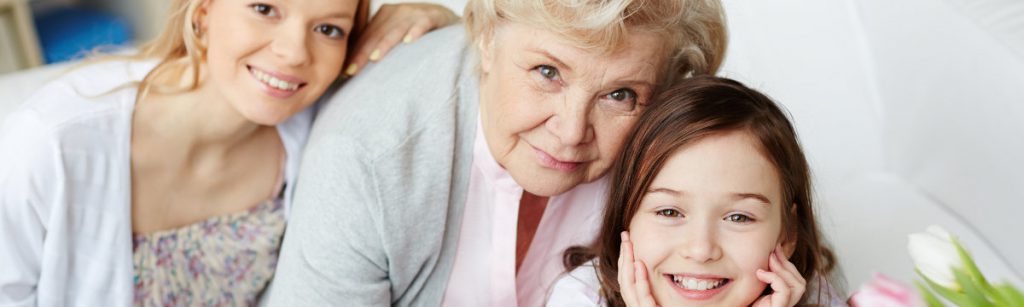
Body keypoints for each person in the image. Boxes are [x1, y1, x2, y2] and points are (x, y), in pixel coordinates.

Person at [264, 0, 728, 306]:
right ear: (486, 38)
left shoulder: (670, 142)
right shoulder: (366, 155)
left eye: (619, 95)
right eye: (547, 71)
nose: (570, 132)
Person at [0, 0, 456, 305]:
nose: (295, 52)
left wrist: (436, 21)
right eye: (265, 8)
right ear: (203, 11)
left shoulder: (318, 125)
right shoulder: (50, 143)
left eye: (327, 28)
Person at [546, 76, 844, 306]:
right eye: (669, 211)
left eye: (739, 217)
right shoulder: (583, 297)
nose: (701, 250)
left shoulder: (817, 298)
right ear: (626, 216)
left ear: (787, 233)